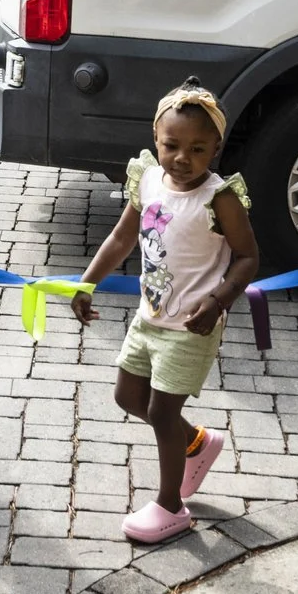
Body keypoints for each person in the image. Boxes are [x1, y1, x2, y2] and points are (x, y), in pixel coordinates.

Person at [70, 81, 258, 545]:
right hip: (149, 317)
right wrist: (87, 282)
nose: (182, 158)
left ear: (216, 146)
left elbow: (249, 257)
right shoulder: (149, 180)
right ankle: (195, 442)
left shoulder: (219, 198)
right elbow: (120, 238)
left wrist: (218, 301)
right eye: (172, 145)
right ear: (156, 138)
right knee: (127, 397)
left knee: (159, 410)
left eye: (197, 148)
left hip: (193, 326)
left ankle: (172, 507)